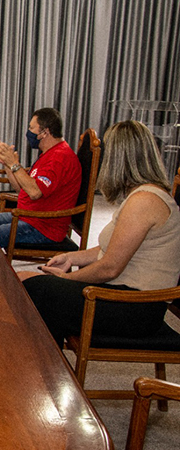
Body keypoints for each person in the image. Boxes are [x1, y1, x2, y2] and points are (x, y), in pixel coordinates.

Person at [20, 120, 180, 346]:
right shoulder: (143, 195)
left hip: (136, 307)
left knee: (36, 288)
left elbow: (110, 267)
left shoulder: (145, 201)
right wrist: (71, 258)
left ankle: (45, 362)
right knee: (33, 285)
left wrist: (66, 279)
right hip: (125, 296)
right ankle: (47, 360)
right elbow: (110, 249)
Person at [0, 108, 81, 247]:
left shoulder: (59, 158)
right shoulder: (49, 153)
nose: (28, 132)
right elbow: (22, 189)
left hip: (43, 227)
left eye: (31, 128)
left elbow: (35, 192)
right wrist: (8, 165)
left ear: (44, 132)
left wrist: (14, 164)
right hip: (27, 216)